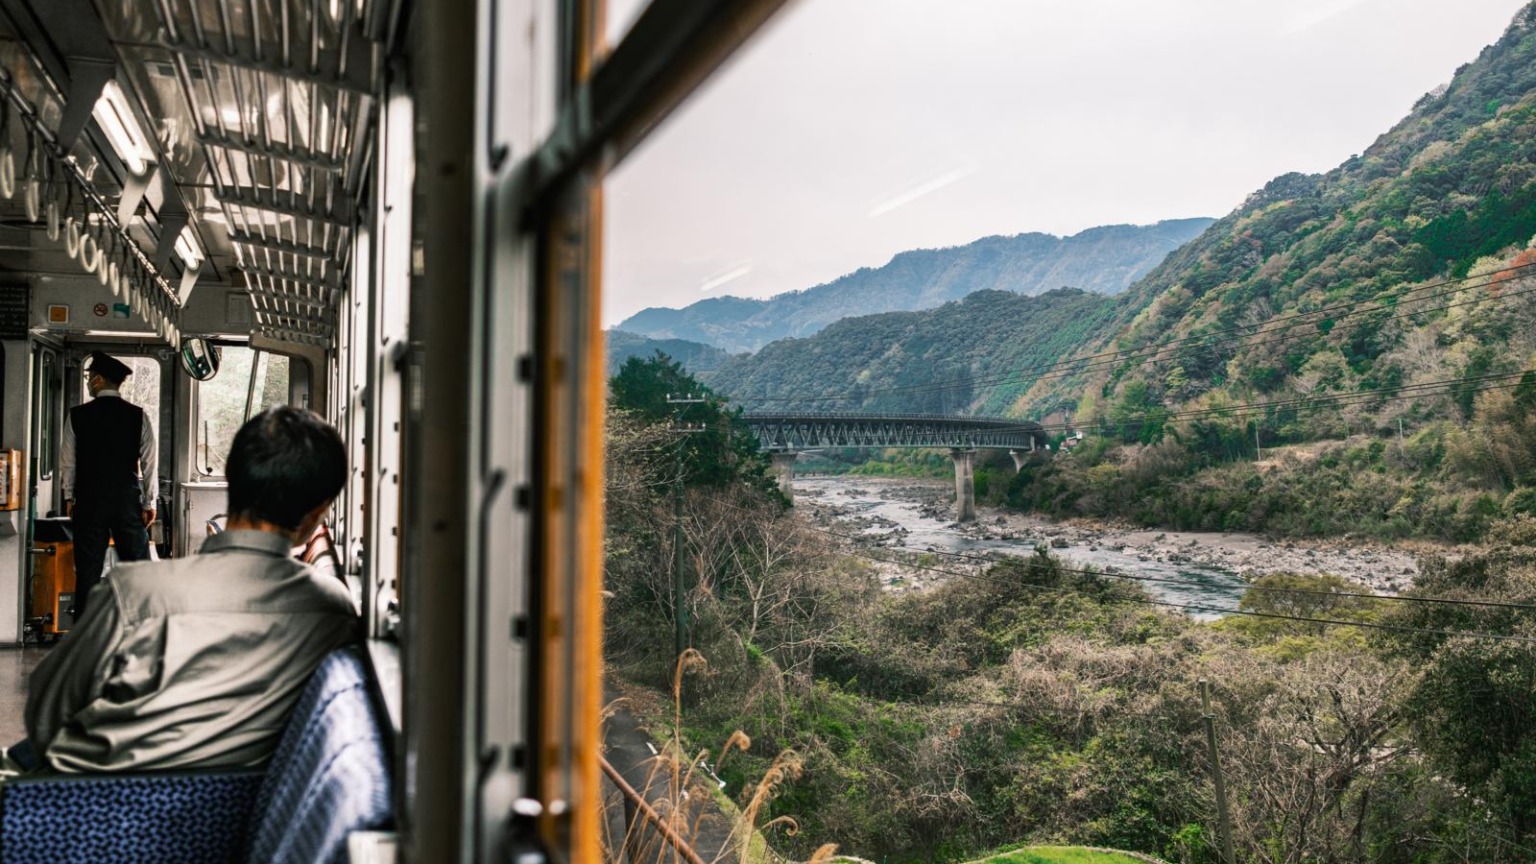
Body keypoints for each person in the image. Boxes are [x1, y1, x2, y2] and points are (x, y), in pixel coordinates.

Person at [17, 406, 358, 773]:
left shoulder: (134, 593)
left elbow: (47, 715)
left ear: (233, 480)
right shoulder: (334, 610)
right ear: (318, 513)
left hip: (98, 797)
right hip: (236, 798)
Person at [60, 351, 156, 619]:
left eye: (90, 377)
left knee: (88, 571)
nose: (88, 382)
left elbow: (68, 463)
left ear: (99, 379)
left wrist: (70, 497)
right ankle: (141, 624)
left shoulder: (77, 416)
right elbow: (149, 463)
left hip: (89, 501)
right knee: (137, 568)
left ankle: (85, 630)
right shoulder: (138, 416)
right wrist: (149, 502)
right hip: (126, 501)